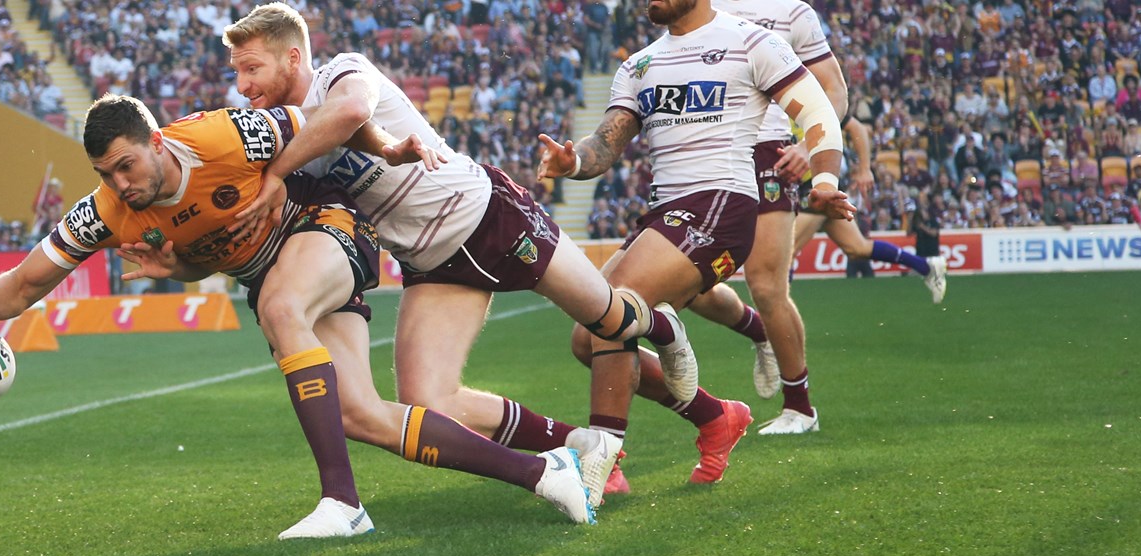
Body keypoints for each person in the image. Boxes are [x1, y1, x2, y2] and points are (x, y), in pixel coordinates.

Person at [0, 95, 595, 541]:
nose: (122, 185)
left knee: (281, 306)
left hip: (322, 222)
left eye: (128, 166)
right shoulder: (107, 212)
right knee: (359, 413)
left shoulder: (222, 136)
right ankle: (548, 471)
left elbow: (330, 116)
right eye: (108, 175)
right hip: (283, 274)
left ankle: (343, 503)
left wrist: (384, 147)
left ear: (156, 143)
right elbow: (24, 285)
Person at [221, 2, 706, 506]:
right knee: (427, 400)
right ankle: (573, 445)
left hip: (486, 216)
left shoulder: (344, 69)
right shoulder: (275, 131)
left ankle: (664, 328)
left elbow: (349, 112)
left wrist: (277, 172)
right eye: (237, 71)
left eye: (252, 68)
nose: (242, 85)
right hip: (431, 262)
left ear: (294, 58)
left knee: (607, 317)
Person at [537, 0, 856, 486]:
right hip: (664, 212)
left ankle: (602, 468)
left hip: (724, 203)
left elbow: (816, 110)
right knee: (587, 338)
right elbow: (604, 143)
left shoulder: (752, 41)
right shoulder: (638, 64)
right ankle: (714, 415)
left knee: (612, 310)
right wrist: (573, 163)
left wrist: (826, 177)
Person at [678, 0, 944, 442]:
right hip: (699, 160)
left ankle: (800, 407)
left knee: (767, 285)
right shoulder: (698, 8)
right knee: (689, 287)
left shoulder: (791, 11)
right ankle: (760, 331)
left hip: (769, 154)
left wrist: (810, 144)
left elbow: (834, 93)